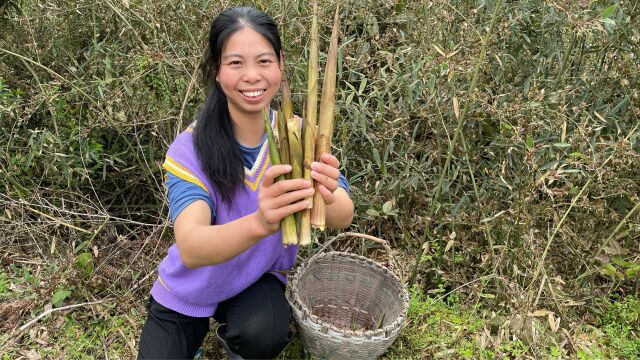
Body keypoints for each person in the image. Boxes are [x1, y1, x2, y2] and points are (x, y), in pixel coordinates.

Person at [137, 6, 354, 360]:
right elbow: (192, 247)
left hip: (254, 279)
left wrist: (327, 191)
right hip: (191, 287)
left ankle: (236, 340)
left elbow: (342, 216)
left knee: (263, 333)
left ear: (280, 64)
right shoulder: (189, 150)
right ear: (217, 72)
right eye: (236, 63)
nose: (252, 76)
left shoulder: (300, 135)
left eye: (264, 61)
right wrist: (261, 222)